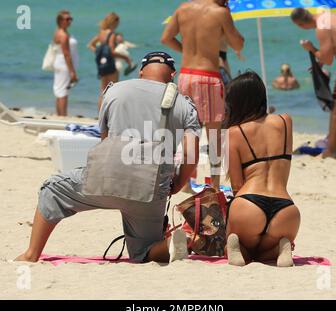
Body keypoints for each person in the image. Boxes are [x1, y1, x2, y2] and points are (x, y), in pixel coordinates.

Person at [15, 52, 201, 264]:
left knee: (52, 189)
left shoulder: (113, 92)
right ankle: (168, 245)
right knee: (143, 250)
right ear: (172, 75)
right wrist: (177, 183)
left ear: (141, 71)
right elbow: (190, 153)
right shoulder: (184, 105)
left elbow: (105, 140)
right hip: (151, 188)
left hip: (107, 180)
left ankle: (31, 254)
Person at [161, 0, 244, 191]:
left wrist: (187, 51)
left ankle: (185, 182)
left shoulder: (183, 8)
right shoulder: (220, 12)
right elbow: (237, 44)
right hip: (208, 76)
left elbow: (166, 38)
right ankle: (214, 185)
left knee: (188, 132)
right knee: (214, 135)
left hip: (186, 75)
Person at [223, 71, 300, 267]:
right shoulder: (285, 121)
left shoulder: (234, 133)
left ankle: (237, 247)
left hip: (248, 204)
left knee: (248, 251)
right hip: (286, 210)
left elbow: (237, 185)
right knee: (265, 253)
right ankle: (280, 247)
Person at [291, 8, 336, 158]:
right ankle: (330, 149)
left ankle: (330, 149)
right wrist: (320, 61)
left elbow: (328, 59)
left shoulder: (321, 28)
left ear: (300, 24)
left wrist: (311, 48)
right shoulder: (327, 15)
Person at [87, 12, 133, 109]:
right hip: (111, 65)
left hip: (102, 65)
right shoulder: (112, 34)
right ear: (114, 22)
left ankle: (100, 116)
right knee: (113, 90)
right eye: (117, 23)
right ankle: (109, 115)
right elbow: (112, 51)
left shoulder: (101, 33)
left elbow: (90, 45)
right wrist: (126, 58)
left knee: (103, 91)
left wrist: (99, 52)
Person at [52, 10, 79, 116]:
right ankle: (63, 116)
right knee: (63, 92)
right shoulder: (63, 35)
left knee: (59, 90)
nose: (69, 21)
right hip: (64, 65)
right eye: (67, 19)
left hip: (60, 63)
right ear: (60, 21)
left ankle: (59, 115)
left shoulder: (59, 32)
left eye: (70, 19)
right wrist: (72, 72)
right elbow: (66, 54)